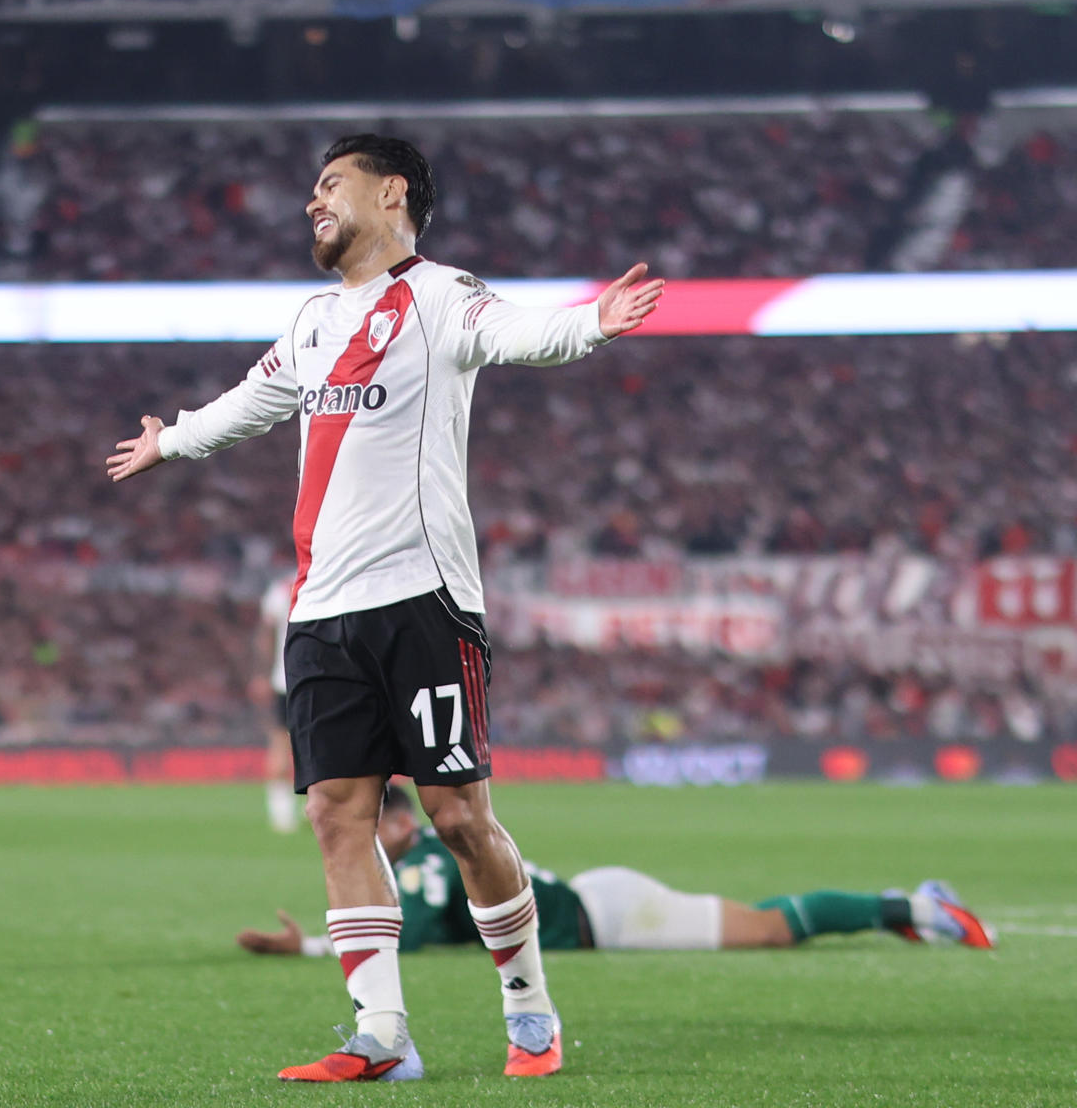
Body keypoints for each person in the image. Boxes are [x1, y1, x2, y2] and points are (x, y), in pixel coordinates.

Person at [106, 133, 665, 1082]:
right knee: (335, 810)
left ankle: (529, 1008)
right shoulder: (317, 318)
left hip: (424, 601)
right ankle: (382, 1036)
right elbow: (257, 397)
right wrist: (179, 440)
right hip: (321, 610)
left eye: (330, 184)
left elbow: (521, 332)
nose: (312, 202)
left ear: (391, 190)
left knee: (456, 817)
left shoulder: (441, 296)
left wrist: (595, 320)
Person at [237, 786, 998, 957]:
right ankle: (904, 906)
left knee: (767, 931)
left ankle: (912, 904)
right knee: (763, 923)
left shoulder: (427, 860)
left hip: (612, 917)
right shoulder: (432, 853)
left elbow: (420, 934)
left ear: (400, 821)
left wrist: (310, 948)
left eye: (380, 823)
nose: (374, 836)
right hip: (598, 901)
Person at [255, 569, 298, 834]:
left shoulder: (281, 588)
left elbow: (266, 635)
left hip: (284, 679)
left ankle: (282, 815)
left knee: (280, 744)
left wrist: (262, 673)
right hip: (321, 680)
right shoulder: (329, 574)